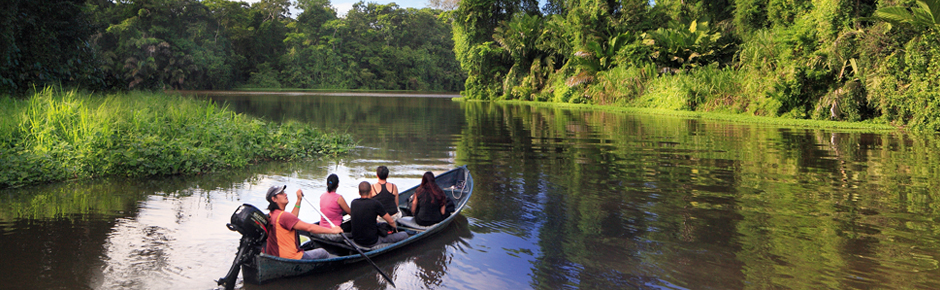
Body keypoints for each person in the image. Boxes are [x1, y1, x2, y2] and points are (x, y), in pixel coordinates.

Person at [264, 185, 343, 260]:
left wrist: (298, 200)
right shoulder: (283, 216)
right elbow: (309, 228)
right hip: (292, 258)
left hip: (278, 256)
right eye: (281, 193)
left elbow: (291, 219)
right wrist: (333, 231)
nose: (285, 194)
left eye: (284, 192)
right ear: (274, 199)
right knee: (322, 252)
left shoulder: (272, 215)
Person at [350, 181, 408, 247]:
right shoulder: (375, 203)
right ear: (371, 192)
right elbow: (391, 221)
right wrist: (395, 229)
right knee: (404, 234)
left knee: (379, 224)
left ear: (359, 193)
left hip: (356, 240)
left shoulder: (353, 203)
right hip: (372, 241)